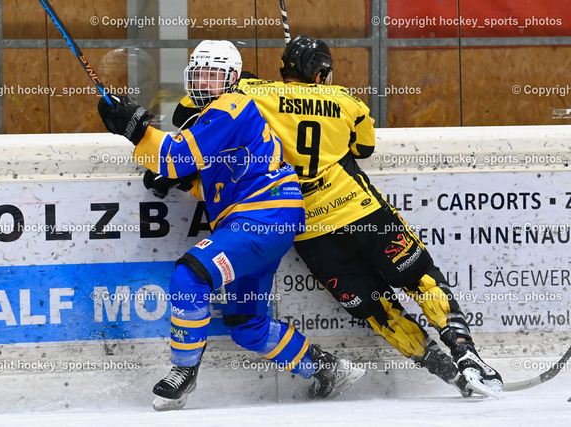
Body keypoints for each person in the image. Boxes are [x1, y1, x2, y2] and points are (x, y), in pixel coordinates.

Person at [166, 35, 503, 398]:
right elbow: (364, 146)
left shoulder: (253, 94)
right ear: (321, 74)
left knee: (378, 311)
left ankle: (448, 373)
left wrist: (251, 81)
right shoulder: (346, 100)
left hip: (310, 232)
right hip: (363, 213)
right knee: (420, 278)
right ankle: (467, 355)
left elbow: (186, 111)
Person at [97, 40, 364, 411]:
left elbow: (176, 156)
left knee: (190, 276)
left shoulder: (231, 105)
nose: (205, 82)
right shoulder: (218, 117)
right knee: (248, 326)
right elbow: (219, 179)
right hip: (267, 220)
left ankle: (184, 370)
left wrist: (136, 128)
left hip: (262, 217)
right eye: (199, 74)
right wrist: (183, 180)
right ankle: (329, 369)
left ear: (233, 79)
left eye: (214, 75)